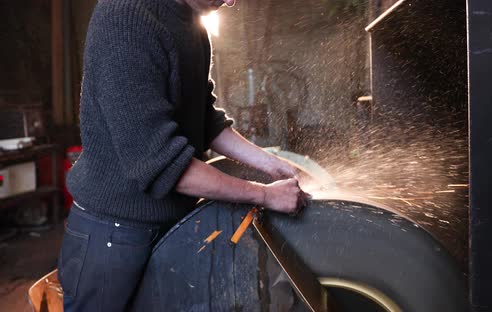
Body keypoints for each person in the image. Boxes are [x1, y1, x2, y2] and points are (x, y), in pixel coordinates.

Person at [57, 0, 307, 310]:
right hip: (114, 237)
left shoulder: (193, 24)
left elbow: (204, 120)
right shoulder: (126, 20)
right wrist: (264, 196)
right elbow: (163, 165)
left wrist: (275, 166)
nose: (230, 1)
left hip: (173, 223)